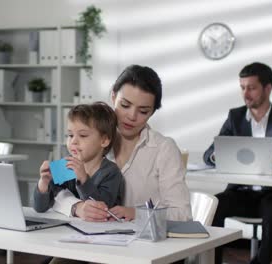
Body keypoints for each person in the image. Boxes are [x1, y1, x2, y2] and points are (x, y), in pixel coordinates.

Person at [53, 65, 192, 222]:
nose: (132, 116)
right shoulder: (87, 139)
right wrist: (76, 207)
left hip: (144, 243)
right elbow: (53, 192)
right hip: (92, 238)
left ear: (152, 112)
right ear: (113, 97)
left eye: (143, 111)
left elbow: (182, 214)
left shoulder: (164, 149)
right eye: (125, 105)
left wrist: (137, 214)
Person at [203, 62, 272, 264]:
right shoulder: (235, 117)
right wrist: (217, 156)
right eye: (242, 87)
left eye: (251, 87)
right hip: (242, 193)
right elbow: (210, 153)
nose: (245, 93)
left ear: (268, 88)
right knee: (215, 204)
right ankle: (212, 260)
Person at [33, 102, 123, 214]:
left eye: (83, 135)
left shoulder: (111, 172)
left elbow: (100, 209)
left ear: (104, 140)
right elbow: (40, 207)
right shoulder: (66, 165)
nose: (73, 141)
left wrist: (83, 179)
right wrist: (44, 182)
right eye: (70, 135)